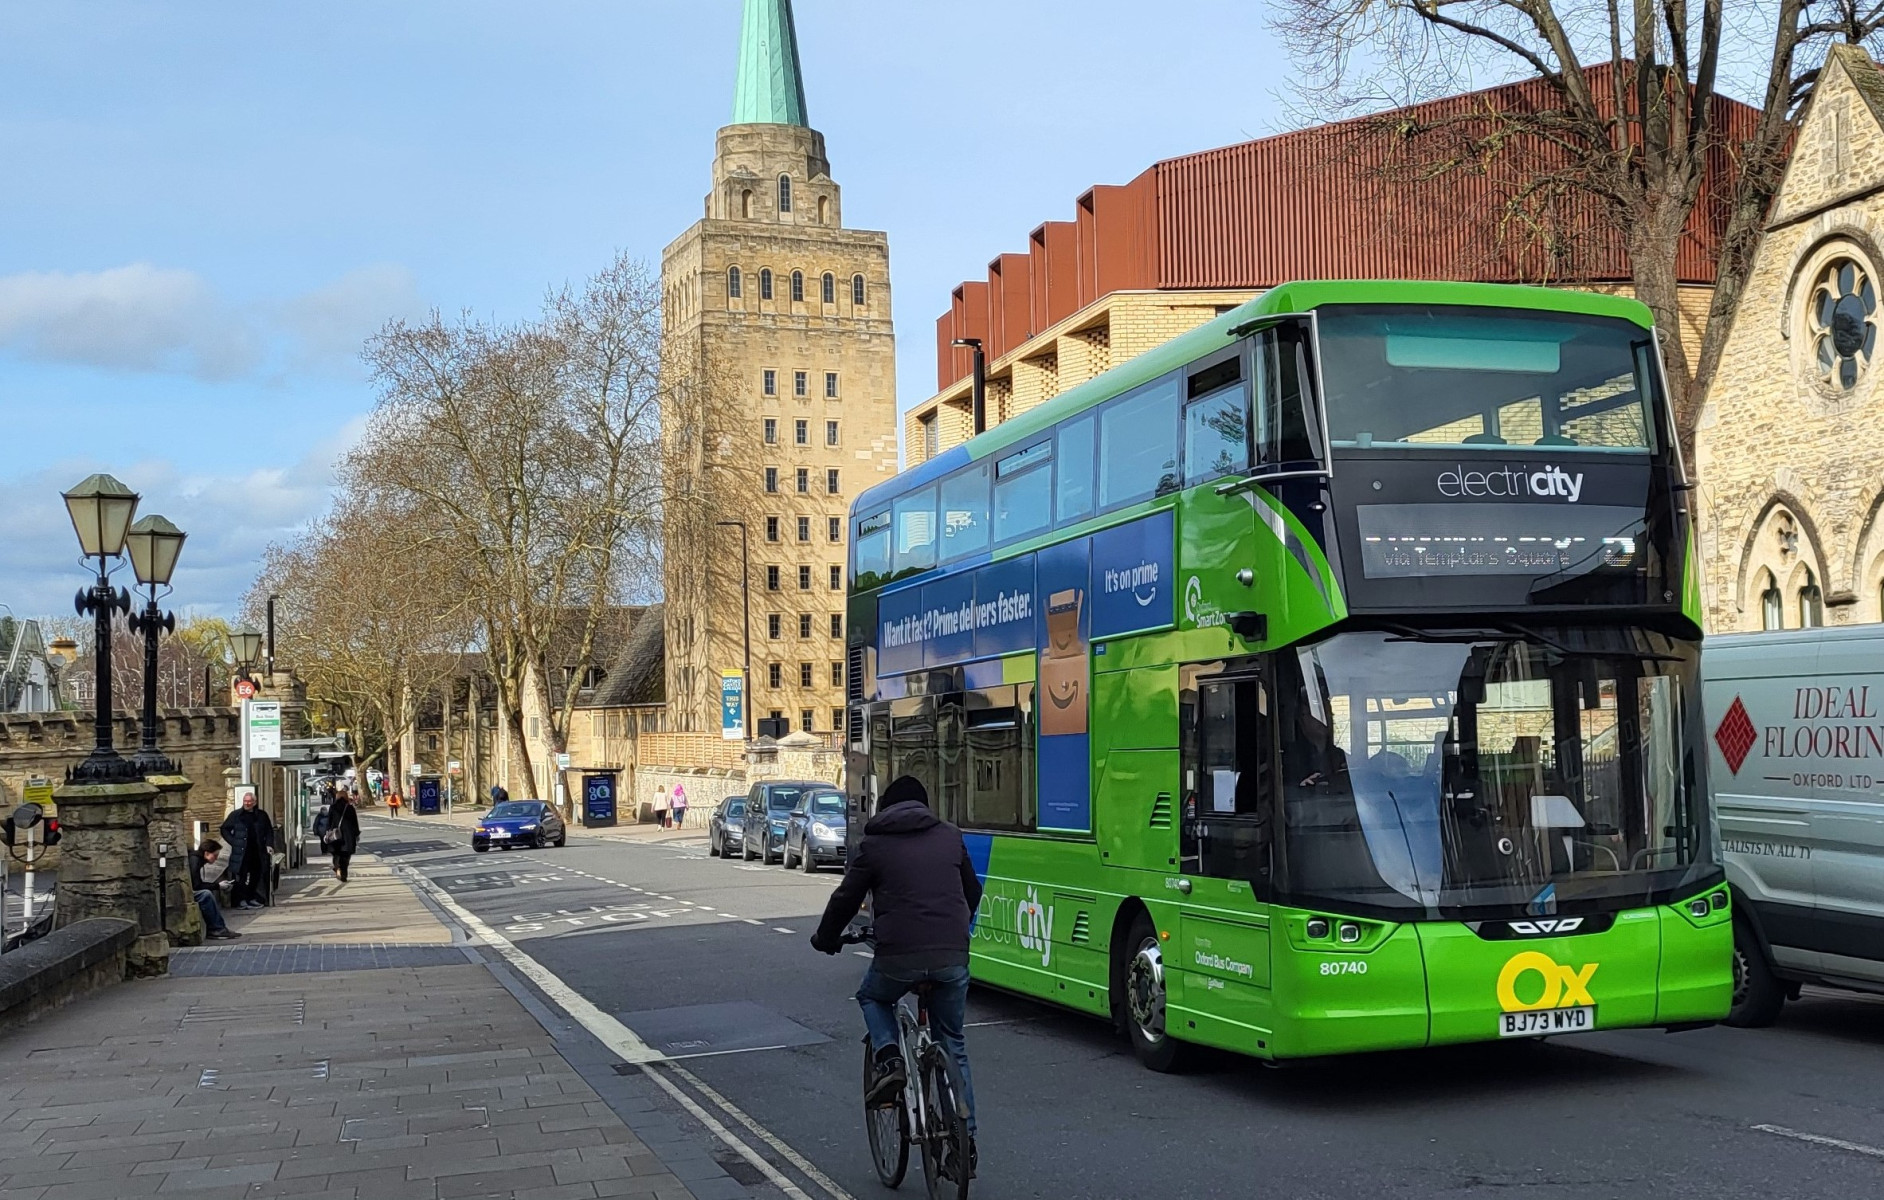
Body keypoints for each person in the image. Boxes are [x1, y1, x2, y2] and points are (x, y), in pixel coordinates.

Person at [811, 775, 982, 1170]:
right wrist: (953, 930)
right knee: (952, 1041)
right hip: (951, 954)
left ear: (885, 807)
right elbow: (972, 893)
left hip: (899, 953)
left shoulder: (874, 845)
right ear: (924, 805)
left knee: (872, 995)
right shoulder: (950, 836)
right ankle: (964, 1142)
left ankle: (889, 1059)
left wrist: (826, 937)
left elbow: (845, 900)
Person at [219, 791, 275, 909]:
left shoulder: (261, 815)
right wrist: (234, 842)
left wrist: (269, 845)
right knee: (241, 877)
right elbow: (224, 829)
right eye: (245, 801)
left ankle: (251, 898)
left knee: (256, 875)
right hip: (241, 853)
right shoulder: (236, 815)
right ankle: (240, 901)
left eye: (249, 801)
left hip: (257, 852)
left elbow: (269, 831)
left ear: (254, 802)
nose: (247, 803)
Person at [189, 840, 240, 940]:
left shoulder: (197, 860)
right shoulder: (194, 860)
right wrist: (218, 886)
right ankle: (217, 928)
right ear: (207, 853)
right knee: (205, 895)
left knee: (207, 894)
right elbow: (197, 885)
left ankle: (218, 927)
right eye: (215, 855)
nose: (216, 859)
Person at [326, 789, 362, 882]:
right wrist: (356, 834)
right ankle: (344, 874)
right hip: (348, 836)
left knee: (336, 854)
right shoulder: (350, 808)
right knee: (346, 856)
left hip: (335, 836)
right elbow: (355, 823)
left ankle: (337, 867)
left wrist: (328, 832)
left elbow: (329, 822)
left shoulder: (333, 807)